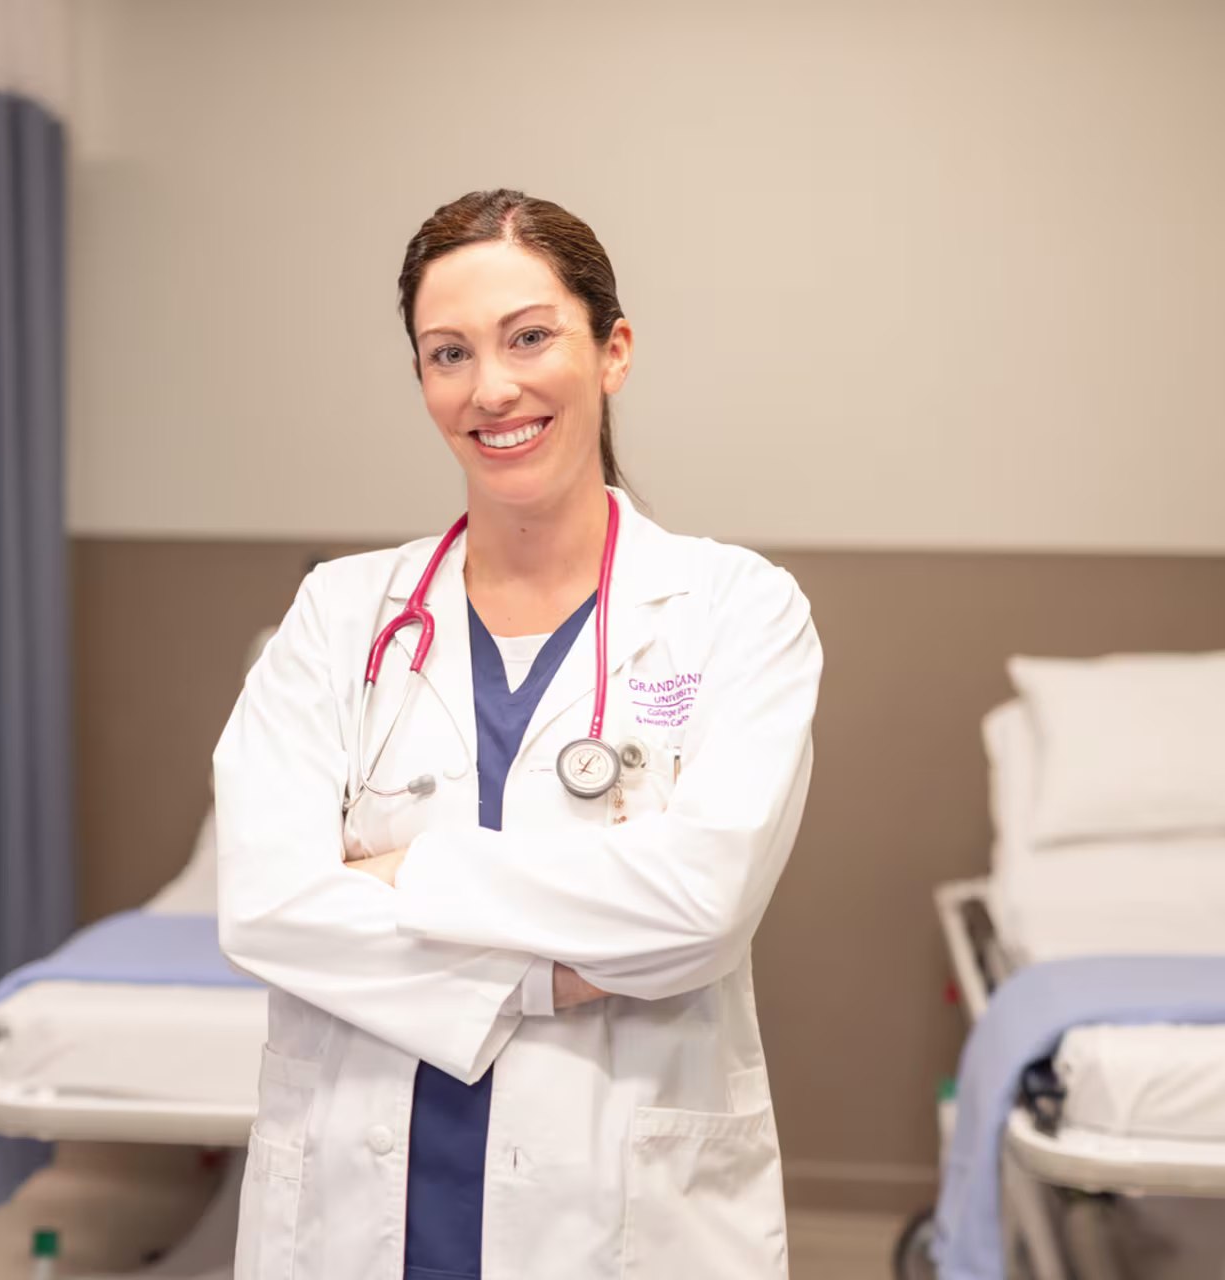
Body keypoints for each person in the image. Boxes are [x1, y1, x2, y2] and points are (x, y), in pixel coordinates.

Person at [213, 189, 823, 1280]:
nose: (492, 387)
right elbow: (264, 902)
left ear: (612, 349)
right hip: (358, 1216)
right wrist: (554, 975)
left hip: (622, 1223)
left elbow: (698, 906)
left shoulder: (736, 608)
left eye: (530, 336)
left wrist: (408, 870)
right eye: (447, 352)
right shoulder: (340, 614)